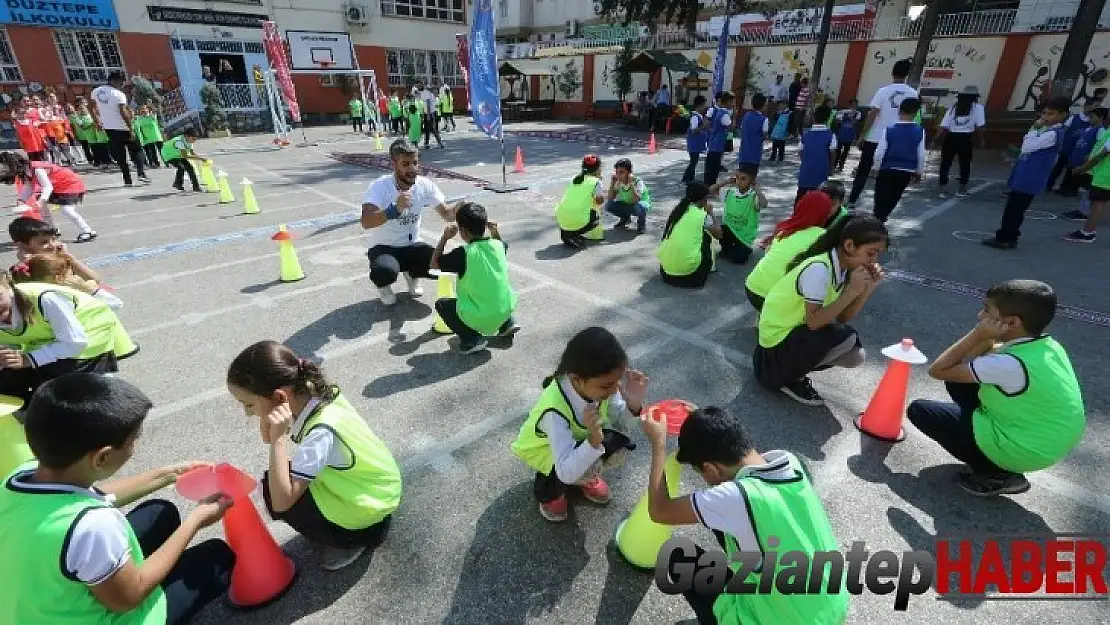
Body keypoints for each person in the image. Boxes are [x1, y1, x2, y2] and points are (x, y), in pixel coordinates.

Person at [0, 374, 235, 625]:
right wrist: (196, 521)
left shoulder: (18, 478)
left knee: (160, 512)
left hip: (35, 607)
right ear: (102, 457)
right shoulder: (92, 525)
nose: (134, 448)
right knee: (216, 557)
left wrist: (169, 474)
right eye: (133, 441)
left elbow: (93, 496)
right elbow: (128, 598)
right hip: (116, 610)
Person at [642, 405, 850, 625]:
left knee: (677, 555)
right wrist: (706, 423)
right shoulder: (790, 462)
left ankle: (717, 619)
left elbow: (660, 511)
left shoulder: (737, 497)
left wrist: (658, 445)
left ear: (711, 469)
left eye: (700, 472)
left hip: (781, 620)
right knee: (725, 524)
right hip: (830, 611)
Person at [226, 340, 401, 570]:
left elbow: (281, 502)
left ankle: (350, 541)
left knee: (272, 490)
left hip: (368, 509)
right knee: (284, 475)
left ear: (280, 398)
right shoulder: (321, 397)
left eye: (248, 404)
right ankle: (361, 527)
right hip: (378, 493)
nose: (248, 413)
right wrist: (270, 424)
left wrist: (279, 439)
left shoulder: (320, 433)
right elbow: (269, 436)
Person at [906, 280, 1085, 496]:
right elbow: (970, 363)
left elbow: (938, 370)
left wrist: (977, 335)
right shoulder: (1047, 345)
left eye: (987, 310)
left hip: (1027, 448)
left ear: (1011, 322)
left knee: (920, 411)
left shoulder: (1009, 365)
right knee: (959, 379)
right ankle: (992, 448)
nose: (980, 316)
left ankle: (997, 473)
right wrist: (989, 336)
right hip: (1046, 439)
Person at [510, 326, 645, 522]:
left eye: (617, 381)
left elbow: (619, 422)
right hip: (549, 454)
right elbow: (565, 470)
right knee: (570, 471)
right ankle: (550, 491)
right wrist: (593, 440)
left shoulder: (603, 386)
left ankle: (585, 478)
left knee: (620, 446)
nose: (615, 388)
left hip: (583, 440)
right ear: (576, 379)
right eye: (607, 385)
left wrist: (634, 406)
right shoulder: (555, 411)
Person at [753, 216, 888, 405]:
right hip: (773, 345)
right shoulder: (819, 269)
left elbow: (842, 317)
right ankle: (788, 377)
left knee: (854, 355)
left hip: (790, 335)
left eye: (877, 255)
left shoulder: (844, 268)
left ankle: (791, 372)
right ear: (849, 245)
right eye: (871, 253)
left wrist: (866, 290)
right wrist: (851, 292)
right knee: (845, 338)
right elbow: (814, 322)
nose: (874, 261)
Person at [361, 140, 459, 306]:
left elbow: (447, 214)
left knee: (442, 263)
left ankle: (412, 274)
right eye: (405, 164)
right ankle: (384, 286)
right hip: (384, 247)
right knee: (384, 272)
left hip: (412, 245)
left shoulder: (424, 185)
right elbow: (366, 221)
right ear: (394, 164)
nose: (412, 169)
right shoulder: (379, 186)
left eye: (415, 163)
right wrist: (393, 210)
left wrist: (458, 209)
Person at [430, 202, 521, 354]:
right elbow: (500, 243)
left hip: (481, 315)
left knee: (442, 304)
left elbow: (433, 264)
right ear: (484, 225)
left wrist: (444, 238)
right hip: (506, 308)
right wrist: (495, 231)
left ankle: (472, 340)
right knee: (494, 291)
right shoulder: (498, 245)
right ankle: (507, 323)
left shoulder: (464, 253)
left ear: (463, 231)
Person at [983, 96, 1070, 250]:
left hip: (1031, 174)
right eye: (1044, 113)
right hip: (1027, 171)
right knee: (1016, 207)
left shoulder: (1053, 133)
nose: (1045, 117)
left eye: (1051, 114)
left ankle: (1005, 237)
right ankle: (1010, 235)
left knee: (1014, 209)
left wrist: (1034, 129)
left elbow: (1027, 146)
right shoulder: (1047, 130)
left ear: (1062, 115)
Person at [745, 191, 835, 311]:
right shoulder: (824, 238)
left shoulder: (785, 230)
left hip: (752, 287)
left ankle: (764, 317)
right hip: (772, 298)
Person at [848, 60, 917, 207]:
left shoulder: (883, 91)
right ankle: (880, 207)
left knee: (863, 170)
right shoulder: (912, 93)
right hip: (896, 139)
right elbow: (914, 118)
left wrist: (862, 135)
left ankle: (852, 200)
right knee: (886, 173)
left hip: (875, 137)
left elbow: (873, 114)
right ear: (907, 74)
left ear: (892, 73)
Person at [0, 152, 96, 243]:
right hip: (56, 186)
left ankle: (88, 231)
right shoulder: (25, 171)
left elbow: (47, 187)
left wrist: (42, 201)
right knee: (42, 206)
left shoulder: (37, 168)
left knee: (67, 210)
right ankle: (51, 229)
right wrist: (22, 200)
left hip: (69, 184)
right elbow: (28, 186)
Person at [657, 182, 721, 289]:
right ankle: (710, 268)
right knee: (707, 236)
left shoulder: (678, 211)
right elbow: (719, 234)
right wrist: (711, 213)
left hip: (666, 273)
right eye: (706, 198)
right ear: (702, 200)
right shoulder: (702, 215)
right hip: (691, 277)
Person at [90, 71, 148, 187]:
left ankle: (127, 180)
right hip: (123, 127)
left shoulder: (96, 91)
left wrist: (97, 121)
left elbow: (91, 107)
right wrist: (131, 129)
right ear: (114, 81)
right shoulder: (118, 94)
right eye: (121, 82)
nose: (122, 85)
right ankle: (141, 174)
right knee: (137, 150)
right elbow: (123, 113)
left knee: (120, 155)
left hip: (109, 128)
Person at [872, 98, 925, 223]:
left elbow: (879, 153)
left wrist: (876, 168)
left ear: (899, 111)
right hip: (906, 170)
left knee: (880, 197)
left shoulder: (889, 130)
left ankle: (877, 219)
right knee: (894, 197)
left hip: (887, 168)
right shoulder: (920, 131)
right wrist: (919, 172)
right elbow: (921, 155)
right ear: (916, 113)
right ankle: (882, 218)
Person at [11, 252, 123, 310]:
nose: (74, 274)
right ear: (59, 278)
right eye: (71, 271)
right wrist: (91, 290)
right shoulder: (70, 294)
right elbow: (116, 304)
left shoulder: (31, 295)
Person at [1065, 107, 1110, 244]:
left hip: (1104, 176)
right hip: (1102, 175)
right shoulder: (1107, 132)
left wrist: (1082, 168)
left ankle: (1088, 232)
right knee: (1099, 203)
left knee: (1098, 204)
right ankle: (1089, 230)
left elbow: (1101, 155)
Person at [933, 86, 986, 198]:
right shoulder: (978, 108)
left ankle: (942, 190)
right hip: (966, 138)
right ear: (975, 97)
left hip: (951, 137)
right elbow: (980, 126)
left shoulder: (953, 107)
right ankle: (961, 189)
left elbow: (943, 126)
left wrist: (935, 140)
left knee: (945, 164)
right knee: (965, 164)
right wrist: (981, 139)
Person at [709, 167, 766, 264]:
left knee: (738, 259)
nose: (739, 181)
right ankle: (727, 248)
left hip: (744, 237)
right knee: (713, 228)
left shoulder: (753, 196)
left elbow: (764, 204)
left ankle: (743, 249)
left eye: (743, 179)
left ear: (751, 181)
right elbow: (711, 189)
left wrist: (758, 190)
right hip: (730, 230)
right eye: (737, 178)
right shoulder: (730, 192)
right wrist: (725, 182)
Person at [555, 154, 606, 249]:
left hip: (561, 216)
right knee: (596, 218)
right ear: (597, 169)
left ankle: (566, 233)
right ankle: (572, 234)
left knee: (572, 211)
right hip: (576, 218)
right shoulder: (595, 181)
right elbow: (600, 202)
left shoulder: (575, 179)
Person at [796, 104, 838, 206]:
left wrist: (805, 160)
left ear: (814, 117)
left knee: (801, 194)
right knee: (818, 195)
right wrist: (831, 167)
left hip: (806, 169)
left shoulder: (806, 134)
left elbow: (800, 150)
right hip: (821, 169)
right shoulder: (830, 135)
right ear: (828, 118)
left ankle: (797, 214)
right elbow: (833, 152)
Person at [603, 158, 652, 233]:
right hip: (628, 204)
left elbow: (636, 199)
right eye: (617, 172)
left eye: (621, 172)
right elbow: (610, 198)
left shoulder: (638, 182)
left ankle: (641, 223)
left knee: (638, 206)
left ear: (629, 173)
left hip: (639, 205)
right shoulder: (618, 182)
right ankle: (625, 218)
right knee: (608, 205)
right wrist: (612, 183)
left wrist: (631, 184)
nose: (618, 175)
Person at [703, 92, 736, 185]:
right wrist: (734, 117)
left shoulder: (720, 112)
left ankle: (707, 186)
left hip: (714, 143)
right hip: (718, 144)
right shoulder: (724, 114)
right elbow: (731, 129)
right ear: (728, 102)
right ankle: (710, 188)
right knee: (714, 169)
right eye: (733, 102)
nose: (733, 104)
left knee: (710, 168)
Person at [160, 127, 206, 193]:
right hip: (169, 155)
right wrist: (201, 159)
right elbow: (186, 156)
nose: (194, 141)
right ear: (186, 136)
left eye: (195, 139)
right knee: (181, 167)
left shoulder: (190, 141)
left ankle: (196, 186)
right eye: (193, 139)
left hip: (178, 155)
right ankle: (178, 183)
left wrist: (201, 158)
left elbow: (192, 153)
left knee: (190, 168)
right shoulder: (179, 142)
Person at [738, 93, 769, 175]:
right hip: (755, 153)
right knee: (751, 177)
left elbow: (742, 129)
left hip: (743, 153)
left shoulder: (746, 116)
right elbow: (765, 135)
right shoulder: (764, 119)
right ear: (763, 105)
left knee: (742, 178)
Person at [682, 95, 709, 183]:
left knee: (694, 161)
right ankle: (686, 178)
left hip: (696, 144)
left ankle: (690, 178)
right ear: (699, 105)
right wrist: (703, 126)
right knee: (693, 162)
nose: (705, 107)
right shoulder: (695, 117)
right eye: (704, 105)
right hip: (693, 144)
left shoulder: (699, 116)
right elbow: (693, 131)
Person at [834, 99, 861, 172]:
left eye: (855, 105)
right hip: (841, 134)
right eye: (852, 105)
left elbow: (855, 122)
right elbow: (837, 120)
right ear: (849, 105)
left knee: (845, 151)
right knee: (838, 150)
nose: (854, 106)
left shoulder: (858, 113)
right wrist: (843, 115)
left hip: (850, 135)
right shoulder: (843, 112)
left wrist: (851, 116)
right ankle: (834, 165)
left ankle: (841, 166)